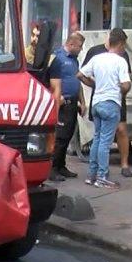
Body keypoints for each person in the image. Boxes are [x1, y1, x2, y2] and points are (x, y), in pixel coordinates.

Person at [77, 29, 130, 189]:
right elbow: (126, 84)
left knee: (98, 139)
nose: (124, 48)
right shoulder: (121, 61)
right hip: (111, 103)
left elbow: (79, 75)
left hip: (97, 103)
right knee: (105, 143)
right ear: (120, 44)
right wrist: (121, 89)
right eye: (124, 45)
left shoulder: (96, 58)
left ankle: (91, 175)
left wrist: (93, 84)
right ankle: (102, 176)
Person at [49, 31, 85, 182]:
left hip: (73, 103)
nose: (81, 49)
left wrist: (83, 101)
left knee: (68, 136)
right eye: (79, 46)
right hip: (63, 103)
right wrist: (58, 97)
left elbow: (78, 81)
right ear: (71, 44)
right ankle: (52, 168)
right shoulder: (57, 58)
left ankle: (61, 166)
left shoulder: (74, 60)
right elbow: (50, 80)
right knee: (60, 138)